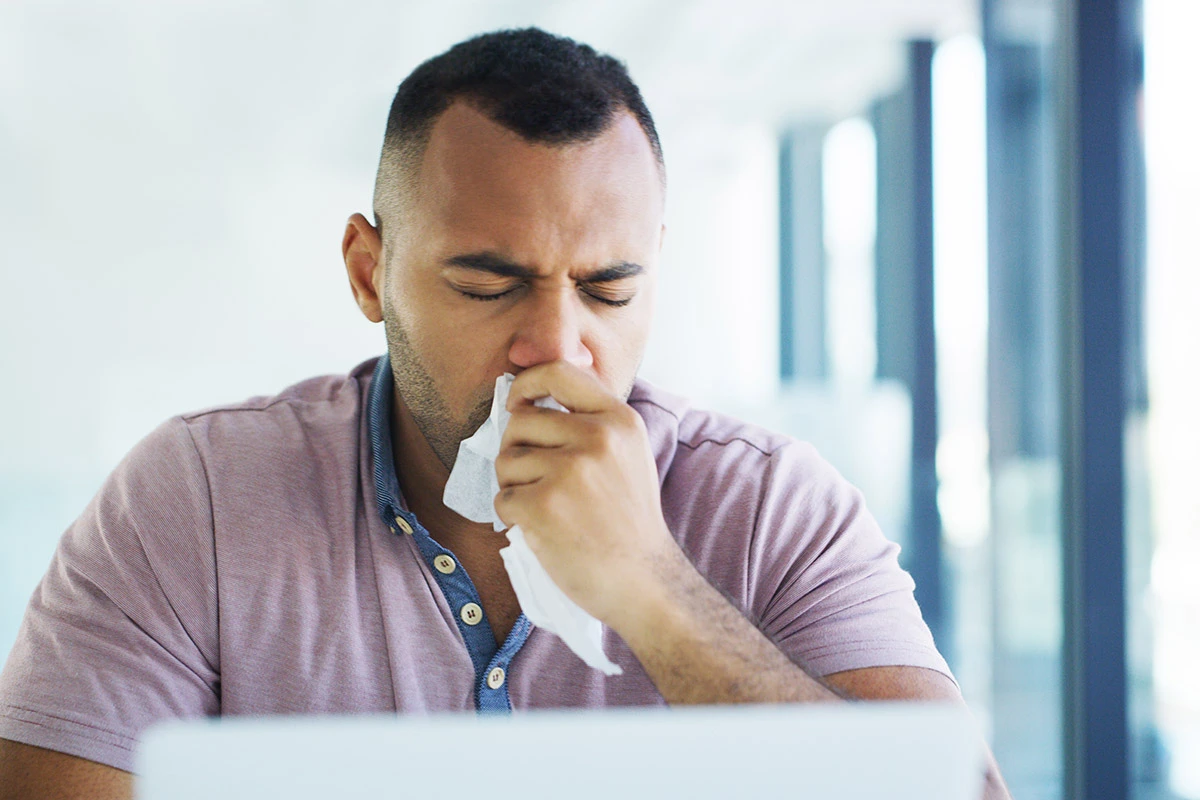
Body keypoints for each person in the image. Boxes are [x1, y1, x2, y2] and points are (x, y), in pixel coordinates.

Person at [0, 27, 1010, 800]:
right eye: (490, 285)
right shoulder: (195, 504)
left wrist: (652, 587)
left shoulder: (776, 507)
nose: (557, 348)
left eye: (609, 289)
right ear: (370, 271)